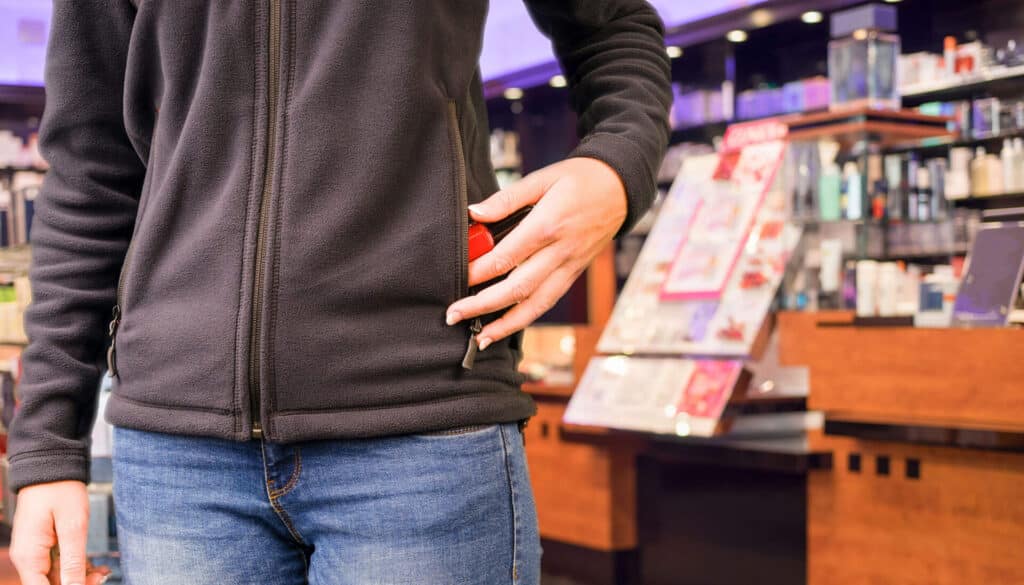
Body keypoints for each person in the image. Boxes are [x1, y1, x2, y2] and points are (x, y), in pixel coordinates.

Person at [7, 1, 671, 583]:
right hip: (182, 457)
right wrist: (47, 442)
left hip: (420, 425)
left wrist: (617, 167)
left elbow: (615, 29)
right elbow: (92, 170)